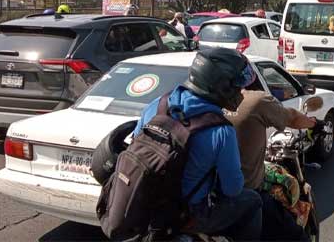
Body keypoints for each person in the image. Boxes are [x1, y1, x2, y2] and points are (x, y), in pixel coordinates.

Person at [133, 48, 262, 240]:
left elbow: (135, 145)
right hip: (187, 214)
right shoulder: (221, 131)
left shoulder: (157, 105)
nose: (241, 93)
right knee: (253, 201)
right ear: (221, 86)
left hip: (144, 206)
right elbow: (232, 189)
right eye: (237, 87)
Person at [231, 82, 317, 241]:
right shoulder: (255, 100)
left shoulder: (199, 106)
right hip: (246, 194)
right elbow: (293, 117)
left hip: (206, 197)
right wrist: (313, 123)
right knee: (296, 236)